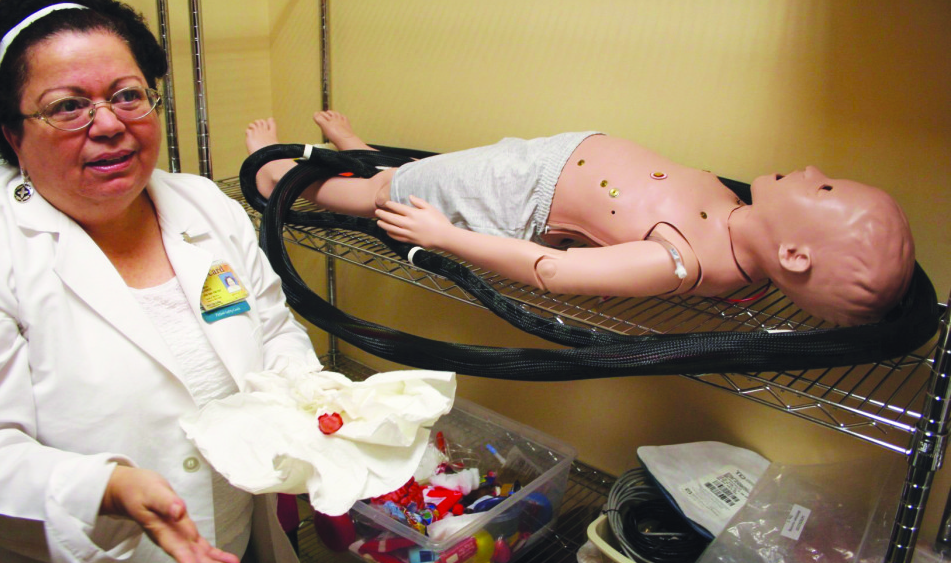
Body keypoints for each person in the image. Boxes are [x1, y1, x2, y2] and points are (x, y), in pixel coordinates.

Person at [0, 0, 318, 563]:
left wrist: (325, 421)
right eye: (67, 106)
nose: (109, 124)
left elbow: (273, 332)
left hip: (239, 560)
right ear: (11, 133)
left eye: (127, 95)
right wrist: (104, 489)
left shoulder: (205, 206)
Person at [247, 111, 915, 327]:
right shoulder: (744, 239)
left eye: (822, 188)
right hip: (543, 164)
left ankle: (279, 178)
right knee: (429, 170)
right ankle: (359, 153)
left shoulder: (683, 260)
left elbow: (554, 271)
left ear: (795, 255)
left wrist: (447, 237)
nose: (808, 172)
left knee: (390, 195)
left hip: (520, 194)